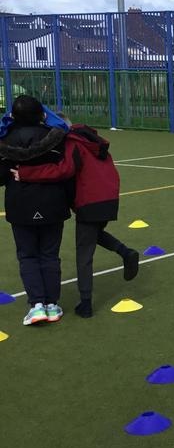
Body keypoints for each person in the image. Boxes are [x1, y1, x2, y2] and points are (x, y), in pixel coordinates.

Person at [14, 117, 139, 318]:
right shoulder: (90, 140)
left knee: (84, 253)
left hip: (91, 199)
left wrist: (26, 173)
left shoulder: (73, 143)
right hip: (108, 196)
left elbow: (62, 171)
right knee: (93, 235)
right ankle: (126, 252)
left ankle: (86, 303)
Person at [0, 95, 71, 325]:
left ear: (13, 116)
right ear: (42, 114)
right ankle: (51, 304)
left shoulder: (6, 139)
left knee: (28, 255)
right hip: (53, 203)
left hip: (20, 205)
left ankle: (37, 304)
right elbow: (66, 169)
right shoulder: (56, 137)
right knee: (49, 255)